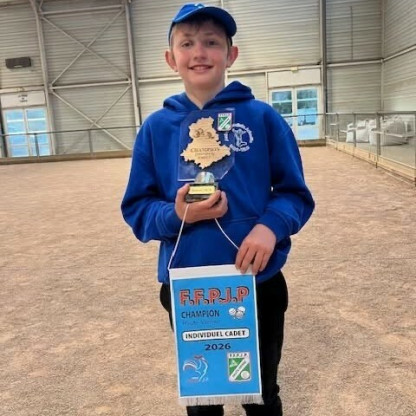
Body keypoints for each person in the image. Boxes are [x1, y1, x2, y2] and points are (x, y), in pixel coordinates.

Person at [121, 3, 315, 416]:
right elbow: (138, 208)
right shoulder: (155, 128)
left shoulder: (262, 118)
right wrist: (177, 215)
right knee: (203, 399)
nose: (199, 52)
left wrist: (269, 227)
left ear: (231, 54)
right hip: (190, 289)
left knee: (260, 394)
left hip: (257, 282)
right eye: (187, 44)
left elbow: (295, 194)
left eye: (211, 42)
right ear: (171, 59)